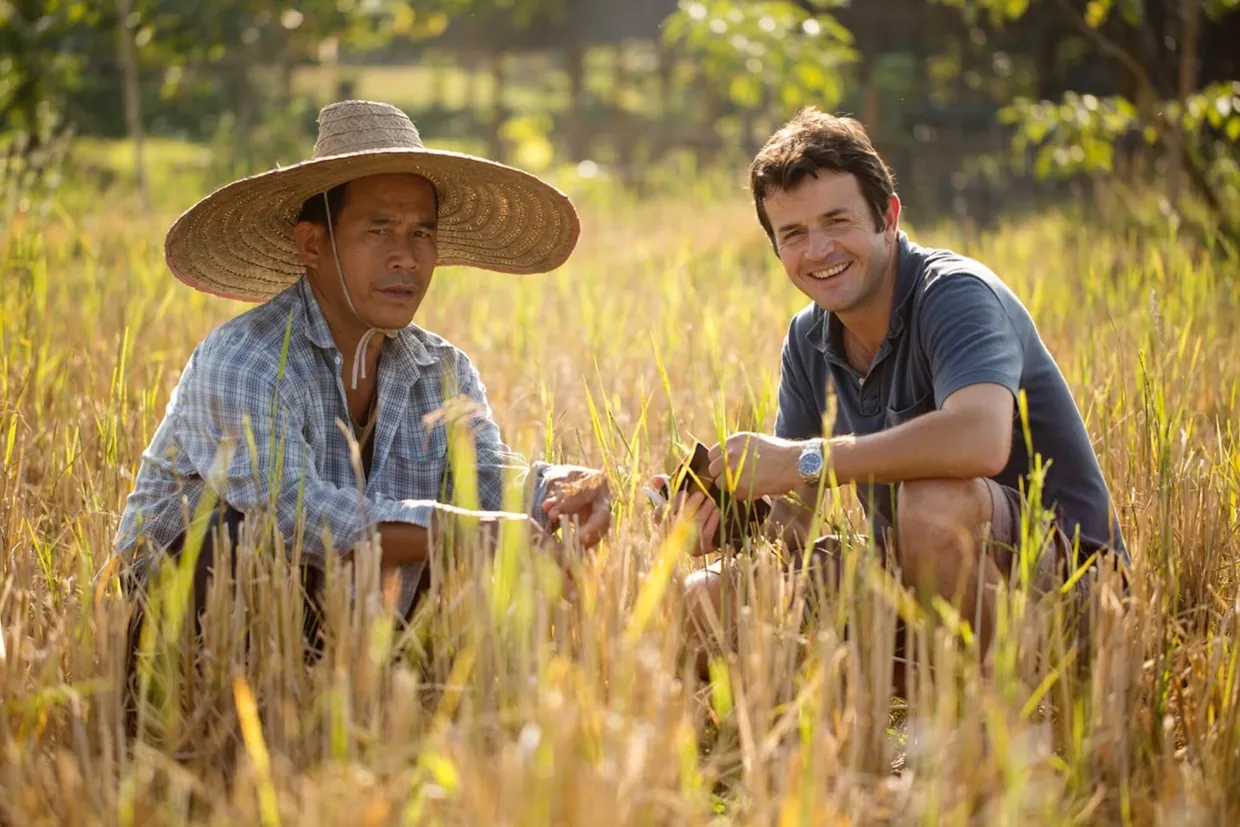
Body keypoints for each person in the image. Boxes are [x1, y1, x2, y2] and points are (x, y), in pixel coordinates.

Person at [114, 100, 612, 681]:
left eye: (420, 233)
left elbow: (482, 478)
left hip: (349, 629)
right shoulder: (246, 358)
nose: (406, 257)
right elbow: (291, 515)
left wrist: (558, 489)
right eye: (378, 231)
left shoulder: (438, 368)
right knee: (234, 537)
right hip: (191, 640)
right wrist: (460, 530)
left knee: (446, 553)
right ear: (312, 245)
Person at [659, 107, 1127, 681]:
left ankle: (986, 729)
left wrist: (804, 460)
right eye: (794, 234)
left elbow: (980, 442)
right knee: (704, 595)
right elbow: (792, 526)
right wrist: (721, 517)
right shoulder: (807, 337)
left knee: (931, 504)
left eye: (837, 221)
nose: (820, 249)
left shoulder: (955, 293)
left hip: (1065, 593)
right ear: (777, 249)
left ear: (889, 217)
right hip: (913, 583)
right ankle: (790, 744)